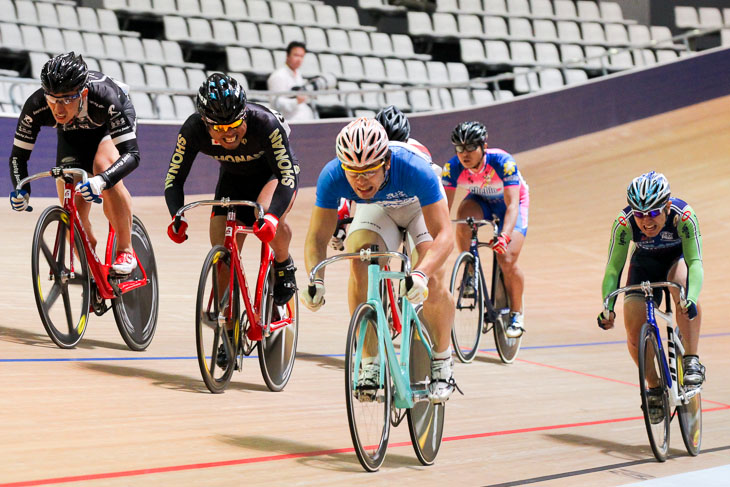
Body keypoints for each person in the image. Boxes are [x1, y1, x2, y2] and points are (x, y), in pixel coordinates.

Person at [303, 117, 458, 403]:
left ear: (386, 162)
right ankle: (369, 361)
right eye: (353, 172)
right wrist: (316, 279)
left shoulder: (414, 168)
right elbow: (316, 237)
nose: (361, 180)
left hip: (417, 208)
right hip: (378, 209)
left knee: (434, 279)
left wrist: (422, 273)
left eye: (369, 171)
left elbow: (445, 236)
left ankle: (442, 359)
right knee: (360, 257)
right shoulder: (332, 175)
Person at [164, 73, 299, 312]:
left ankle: (283, 262)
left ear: (245, 115)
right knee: (222, 254)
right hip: (233, 180)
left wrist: (272, 218)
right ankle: (227, 326)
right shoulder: (192, 130)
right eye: (219, 128)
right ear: (205, 123)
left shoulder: (266, 123)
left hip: (272, 175)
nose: (228, 133)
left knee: (266, 212)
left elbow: (286, 176)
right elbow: (174, 177)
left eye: (235, 125)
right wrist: (176, 215)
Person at [8, 52, 139, 275]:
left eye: (67, 99)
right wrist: (22, 188)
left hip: (106, 126)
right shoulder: (37, 105)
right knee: (72, 210)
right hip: (72, 135)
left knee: (102, 166)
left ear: (83, 93)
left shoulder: (104, 97)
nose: (58, 109)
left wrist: (102, 181)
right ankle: (92, 273)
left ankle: (126, 249)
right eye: (53, 100)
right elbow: (18, 157)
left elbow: (132, 154)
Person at [598, 172, 705, 398]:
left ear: (667, 206)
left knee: (682, 288)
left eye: (654, 213)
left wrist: (693, 298)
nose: (646, 222)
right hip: (644, 264)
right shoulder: (623, 223)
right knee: (634, 330)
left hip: (677, 259)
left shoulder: (683, 215)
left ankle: (692, 360)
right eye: (640, 214)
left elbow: (695, 262)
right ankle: (654, 387)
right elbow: (613, 268)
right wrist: (607, 306)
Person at [442, 121, 529, 338]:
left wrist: (505, 235)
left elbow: (512, 206)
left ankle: (517, 314)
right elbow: (443, 209)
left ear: (484, 146)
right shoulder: (452, 168)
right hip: (480, 200)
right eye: (460, 148)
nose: (465, 153)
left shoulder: (503, 162)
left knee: (507, 259)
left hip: (511, 204)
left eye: (471, 147)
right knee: (462, 219)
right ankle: (470, 268)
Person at [329, 105, 440, 251]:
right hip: (380, 209)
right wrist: (341, 224)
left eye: (399, 144)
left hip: (414, 208)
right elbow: (350, 184)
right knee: (362, 254)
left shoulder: (418, 155)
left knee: (426, 256)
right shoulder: (364, 151)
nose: (393, 151)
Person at [267, 41, 315, 122]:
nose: (299, 59)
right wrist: (296, 101)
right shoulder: (278, 76)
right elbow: (276, 104)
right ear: (287, 56)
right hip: (287, 122)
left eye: (302, 56)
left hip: (303, 119)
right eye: (296, 55)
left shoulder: (298, 74)